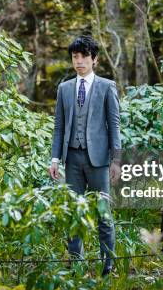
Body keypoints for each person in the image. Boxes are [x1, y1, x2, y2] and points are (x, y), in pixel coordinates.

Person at [49, 34, 122, 276]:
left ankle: (108, 265)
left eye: (84, 57)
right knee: (74, 213)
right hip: (72, 160)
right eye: (75, 57)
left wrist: (116, 160)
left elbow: (114, 125)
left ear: (94, 59)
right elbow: (59, 127)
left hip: (99, 161)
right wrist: (55, 159)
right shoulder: (64, 89)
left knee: (103, 213)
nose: (79, 61)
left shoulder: (106, 87)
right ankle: (75, 265)